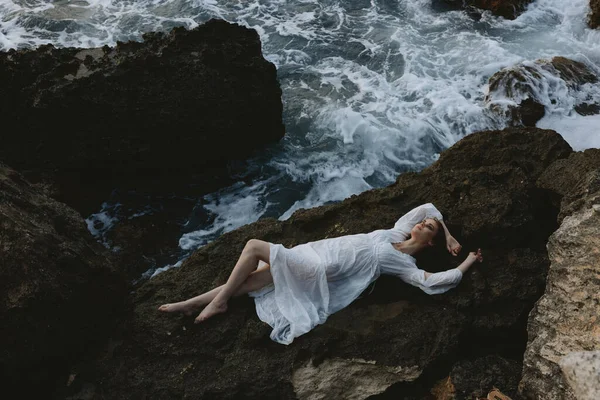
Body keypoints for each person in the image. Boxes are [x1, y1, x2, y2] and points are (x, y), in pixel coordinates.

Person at [158, 203, 483, 344]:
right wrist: (449, 232)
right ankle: (192, 303)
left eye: (428, 229)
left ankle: (217, 302)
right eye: (422, 223)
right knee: (251, 280)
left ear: (429, 244)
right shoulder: (397, 232)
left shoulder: (405, 264)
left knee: (254, 247)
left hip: (320, 269)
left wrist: (465, 263)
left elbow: (435, 282)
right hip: (314, 251)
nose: (422, 223)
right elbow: (428, 206)